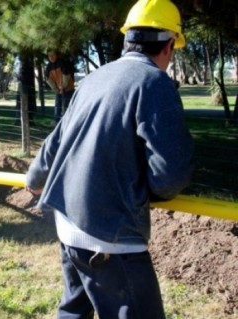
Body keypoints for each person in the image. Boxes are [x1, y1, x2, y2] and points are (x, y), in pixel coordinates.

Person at [25, 0, 194, 318]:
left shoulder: (94, 79)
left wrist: (34, 179)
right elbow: (171, 173)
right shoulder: (154, 83)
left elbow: (55, 142)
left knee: (74, 309)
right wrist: (147, 192)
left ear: (127, 39)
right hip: (109, 238)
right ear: (170, 45)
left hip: (68, 222)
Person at [45, 50, 75, 125]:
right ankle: (57, 122)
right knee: (58, 106)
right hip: (59, 90)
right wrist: (55, 89)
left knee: (68, 106)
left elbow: (66, 75)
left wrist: (63, 87)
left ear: (57, 55)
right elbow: (48, 79)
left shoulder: (63, 63)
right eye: (49, 56)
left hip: (68, 89)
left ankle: (69, 122)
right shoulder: (49, 66)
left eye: (53, 55)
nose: (51, 57)